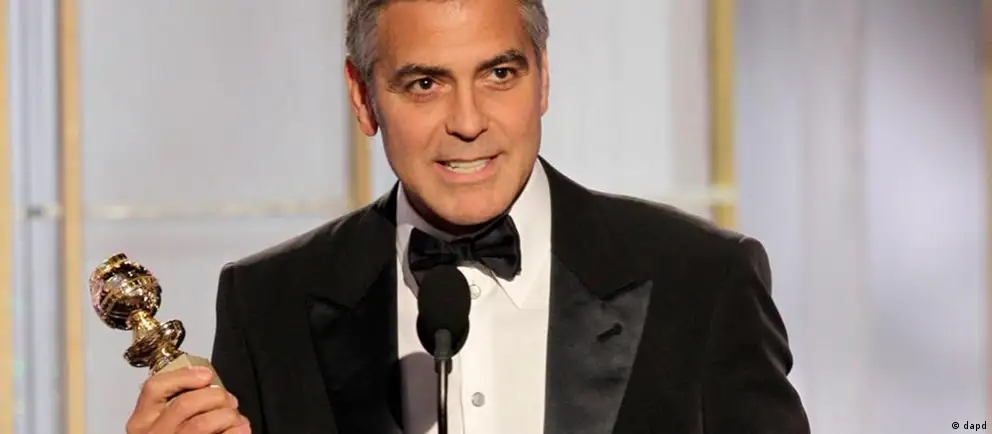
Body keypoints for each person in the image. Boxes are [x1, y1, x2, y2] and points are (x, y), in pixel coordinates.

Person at [124, 0, 811, 433]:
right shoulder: (268, 304)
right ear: (363, 97)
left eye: (499, 75)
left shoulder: (702, 280)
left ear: (544, 77)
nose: (468, 122)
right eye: (425, 83)